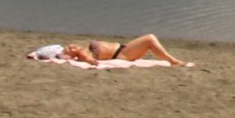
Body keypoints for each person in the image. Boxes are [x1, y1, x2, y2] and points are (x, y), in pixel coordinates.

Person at [58, 35, 192, 67]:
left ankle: (172, 60)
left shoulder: (82, 49)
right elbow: (91, 61)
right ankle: (173, 61)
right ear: (71, 55)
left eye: (69, 46)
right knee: (150, 38)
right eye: (69, 50)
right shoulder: (82, 54)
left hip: (123, 49)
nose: (70, 46)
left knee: (149, 40)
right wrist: (90, 61)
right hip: (122, 54)